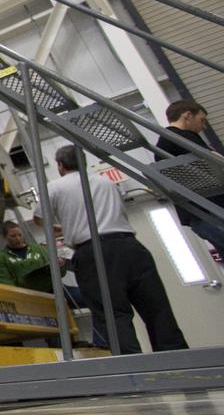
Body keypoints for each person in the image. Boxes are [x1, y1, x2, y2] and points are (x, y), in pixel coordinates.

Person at [35, 144, 187, 354]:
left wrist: (64, 227)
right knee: (157, 309)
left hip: (94, 253)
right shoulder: (107, 182)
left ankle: (135, 369)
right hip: (130, 246)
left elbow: (39, 218)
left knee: (112, 314)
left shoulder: (55, 187)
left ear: (60, 165)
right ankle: (177, 358)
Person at [154, 99, 224, 254]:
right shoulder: (180, 136)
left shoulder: (166, 141)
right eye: (201, 120)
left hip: (200, 215)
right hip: (210, 212)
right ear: (188, 116)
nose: (203, 127)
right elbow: (215, 159)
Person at [0, 220, 54, 293]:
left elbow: (52, 267)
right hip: (27, 295)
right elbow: (6, 281)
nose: (18, 238)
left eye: (20, 235)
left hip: (51, 290)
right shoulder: (1, 258)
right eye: (13, 236)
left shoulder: (38, 249)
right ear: (4, 237)